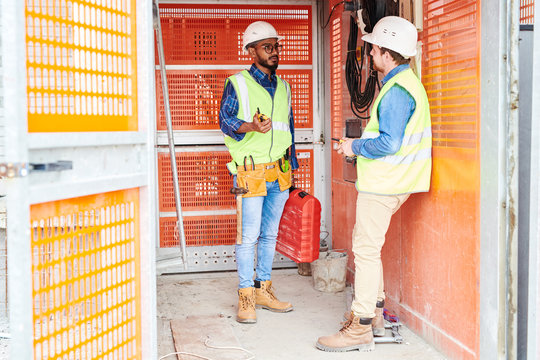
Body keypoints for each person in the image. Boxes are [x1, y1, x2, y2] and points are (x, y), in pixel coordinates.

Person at [316, 16, 432, 352]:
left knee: (365, 251)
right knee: (371, 249)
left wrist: (354, 146)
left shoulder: (396, 92)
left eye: (373, 50)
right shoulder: (405, 84)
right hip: (395, 182)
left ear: (386, 52)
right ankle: (376, 318)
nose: (368, 55)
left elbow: (389, 143)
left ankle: (360, 327)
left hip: (385, 183)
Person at [219, 21, 299, 324]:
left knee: (269, 235)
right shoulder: (237, 83)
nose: (275, 52)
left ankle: (264, 289)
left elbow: (287, 129)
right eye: (268, 47)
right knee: (248, 236)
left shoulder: (285, 86)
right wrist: (251, 126)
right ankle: (245, 296)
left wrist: (293, 166)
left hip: (279, 170)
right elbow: (225, 121)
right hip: (249, 171)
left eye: (276, 46)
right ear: (251, 51)